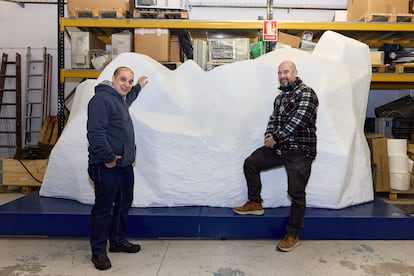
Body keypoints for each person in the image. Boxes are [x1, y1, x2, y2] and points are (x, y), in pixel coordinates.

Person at [233, 60, 318, 252]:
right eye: (279, 73)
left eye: (286, 72)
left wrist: (276, 137)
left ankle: (293, 234)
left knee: (296, 193)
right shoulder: (280, 97)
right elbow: (273, 120)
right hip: (281, 148)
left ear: (296, 72)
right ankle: (255, 202)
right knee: (251, 163)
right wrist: (268, 136)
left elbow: (299, 121)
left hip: (300, 151)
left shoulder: (307, 93)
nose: (282, 76)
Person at [87, 66, 148, 270]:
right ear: (113, 79)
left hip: (123, 165)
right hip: (107, 165)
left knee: (123, 203)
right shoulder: (101, 100)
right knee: (103, 209)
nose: (126, 84)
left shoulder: (119, 99)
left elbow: (128, 97)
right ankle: (98, 251)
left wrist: (138, 86)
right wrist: (108, 157)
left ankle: (117, 241)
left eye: (129, 81)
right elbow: (95, 133)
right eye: (123, 79)